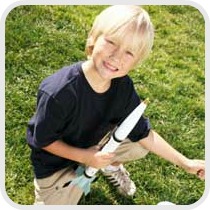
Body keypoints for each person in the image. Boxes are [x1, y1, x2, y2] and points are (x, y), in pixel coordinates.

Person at [26, 5, 205, 205]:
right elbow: (43, 141)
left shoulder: (123, 86)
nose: (117, 56)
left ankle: (108, 165)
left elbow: (144, 134)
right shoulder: (58, 92)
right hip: (56, 163)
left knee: (139, 144)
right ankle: (64, 183)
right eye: (112, 42)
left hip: (94, 147)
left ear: (136, 62)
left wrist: (186, 163)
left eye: (129, 53)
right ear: (92, 39)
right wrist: (85, 156)